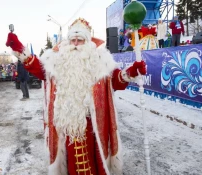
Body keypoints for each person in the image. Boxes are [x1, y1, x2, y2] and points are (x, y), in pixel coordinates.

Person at [12, 18, 146, 175]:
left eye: (80, 40)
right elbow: (39, 69)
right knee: (69, 163)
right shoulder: (58, 60)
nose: (75, 44)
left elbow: (116, 79)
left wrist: (131, 72)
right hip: (65, 124)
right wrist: (20, 49)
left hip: (91, 123)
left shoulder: (99, 61)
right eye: (73, 40)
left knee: (92, 161)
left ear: (88, 42)